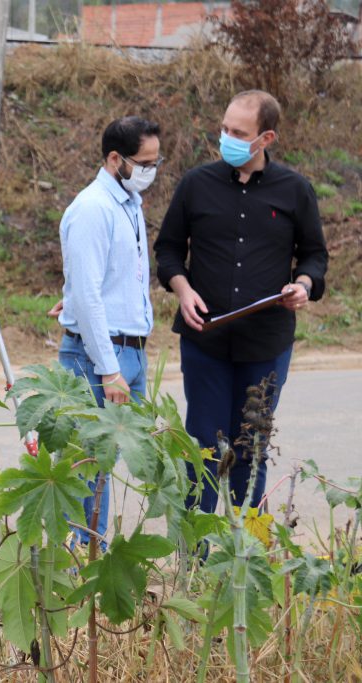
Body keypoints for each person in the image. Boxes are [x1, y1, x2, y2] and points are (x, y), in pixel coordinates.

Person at [154, 90, 328, 513]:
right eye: (224, 129)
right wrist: (183, 290)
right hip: (205, 339)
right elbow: (168, 250)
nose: (226, 139)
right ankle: (196, 546)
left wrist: (304, 284)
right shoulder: (196, 184)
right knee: (204, 447)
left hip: (266, 344)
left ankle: (246, 543)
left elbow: (314, 255)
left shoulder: (295, 190)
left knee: (251, 448)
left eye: (238, 133)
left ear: (266, 138)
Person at [57, 116, 161, 546]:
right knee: (85, 467)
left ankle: (91, 555)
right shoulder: (92, 209)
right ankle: (79, 560)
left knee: (107, 464)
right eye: (144, 163)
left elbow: (106, 281)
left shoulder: (129, 203)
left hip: (130, 351)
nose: (150, 171)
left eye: (155, 162)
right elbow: (88, 295)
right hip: (100, 358)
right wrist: (108, 367)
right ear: (115, 159)